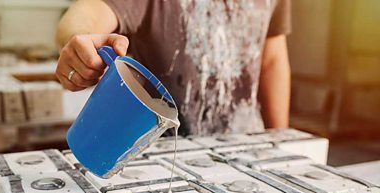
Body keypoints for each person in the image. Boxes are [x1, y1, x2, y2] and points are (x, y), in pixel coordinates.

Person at [55, 0, 291, 136]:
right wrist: (81, 40)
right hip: (164, 154)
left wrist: (279, 140)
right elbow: (89, 11)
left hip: (246, 144)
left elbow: (271, 60)